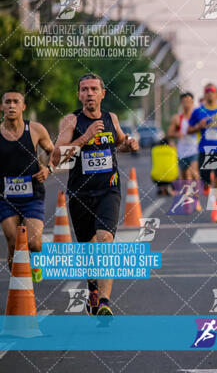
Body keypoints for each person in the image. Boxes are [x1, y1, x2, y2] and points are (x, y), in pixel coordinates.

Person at [52, 73, 139, 316]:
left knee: (105, 240)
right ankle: (92, 287)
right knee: (89, 250)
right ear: (79, 95)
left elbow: (119, 142)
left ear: (103, 94)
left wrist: (129, 144)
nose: (89, 93)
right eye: (84, 89)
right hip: (80, 193)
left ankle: (104, 302)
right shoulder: (71, 121)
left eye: (93, 89)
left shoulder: (111, 118)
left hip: (109, 190)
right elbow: (57, 157)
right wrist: (85, 136)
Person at [0, 90, 54, 282]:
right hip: (6, 197)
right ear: (2, 107)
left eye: (16, 102)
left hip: (33, 195)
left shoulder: (36, 130)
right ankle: (18, 286)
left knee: (34, 243)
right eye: (7, 102)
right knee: (13, 242)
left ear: (23, 107)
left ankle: (36, 264)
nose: (11, 106)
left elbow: (52, 152)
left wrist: (48, 168)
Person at [187, 83, 217, 223]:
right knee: (205, 181)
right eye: (207, 91)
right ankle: (207, 186)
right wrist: (198, 126)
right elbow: (189, 130)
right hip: (204, 150)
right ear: (204, 94)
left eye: (212, 91)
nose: (210, 94)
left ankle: (216, 213)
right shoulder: (198, 111)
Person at [168, 92, 200, 182]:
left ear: (192, 103)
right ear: (181, 103)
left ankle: (195, 195)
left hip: (194, 150)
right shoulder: (177, 118)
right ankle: (188, 195)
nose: (187, 104)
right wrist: (176, 134)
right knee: (185, 177)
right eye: (184, 102)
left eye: (189, 102)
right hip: (182, 151)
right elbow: (170, 133)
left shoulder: (197, 117)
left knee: (194, 173)